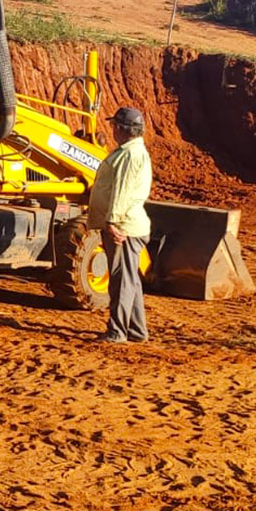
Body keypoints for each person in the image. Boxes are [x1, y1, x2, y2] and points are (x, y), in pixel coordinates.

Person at [87, 106, 152, 343]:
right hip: (129, 224)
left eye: (115, 125)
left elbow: (122, 191)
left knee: (121, 281)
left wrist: (112, 222)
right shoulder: (131, 151)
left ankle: (118, 332)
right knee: (129, 280)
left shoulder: (129, 155)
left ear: (123, 129)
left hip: (124, 226)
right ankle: (136, 331)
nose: (112, 129)